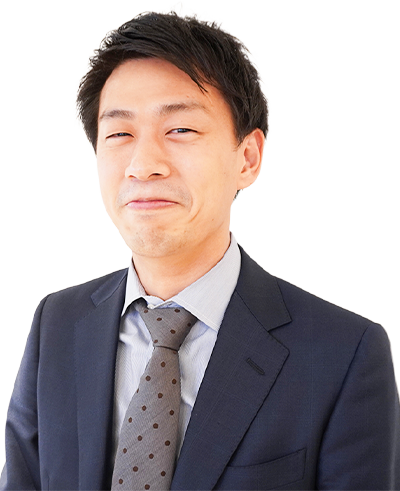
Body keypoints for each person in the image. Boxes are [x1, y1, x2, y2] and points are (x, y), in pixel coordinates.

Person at [1, 10, 399, 491]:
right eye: (120, 133)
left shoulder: (343, 354)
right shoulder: (57, 324)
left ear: (247, 157)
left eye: (180, 130)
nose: (143, 164)